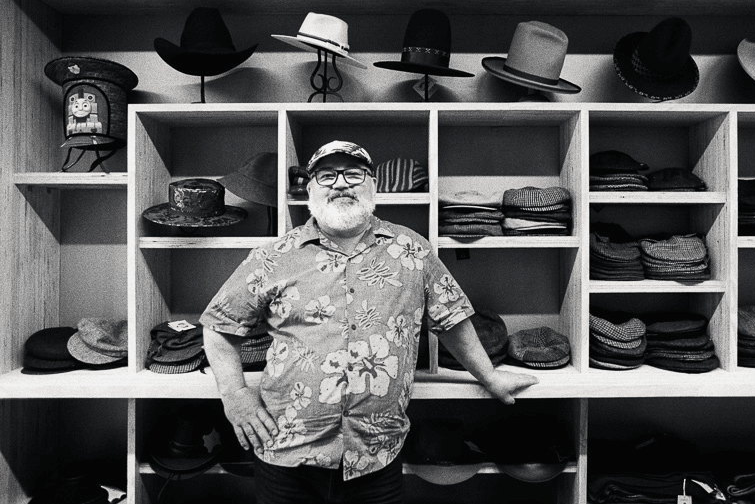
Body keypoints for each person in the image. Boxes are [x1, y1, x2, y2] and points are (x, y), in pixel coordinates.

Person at [201, 140, 538, 504]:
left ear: (372, 185)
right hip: (286, 452)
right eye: (327, 175)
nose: (340, 183)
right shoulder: (274, 256)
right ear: (310, 189)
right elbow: (220, 324)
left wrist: (489, 376)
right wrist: (235, 395)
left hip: (376, 456)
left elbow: (452, 318)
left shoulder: (413, 250)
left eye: (353, 174)